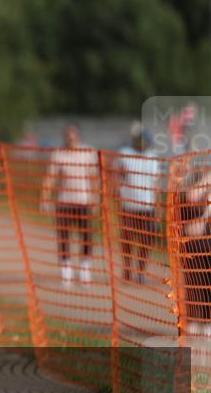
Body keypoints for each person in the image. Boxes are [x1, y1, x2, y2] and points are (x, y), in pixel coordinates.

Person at [40, 124, 101, 287]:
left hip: (84, 202)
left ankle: (85, 269)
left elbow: (94, 177)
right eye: (68, 136)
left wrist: (96, 199)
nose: (70, 139)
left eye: (73, 135)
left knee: (86, 237)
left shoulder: (88, 152)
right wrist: (45, 198)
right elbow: (50, 177)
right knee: (64, 237)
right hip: (64, 202)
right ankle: (66, 270)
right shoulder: (58, 154)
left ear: (78, 136)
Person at [113, 122, 163, 284]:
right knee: (127, 239)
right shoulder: (124, 154)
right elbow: (116, 177)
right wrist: (117, 196)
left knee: (146, 241)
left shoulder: (153, 157)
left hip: (147, 207)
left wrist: (158, 207)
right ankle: (127, 268)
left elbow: (156, 184)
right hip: (128, 205)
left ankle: (140, 270)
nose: (141, 142)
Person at [179, 167, 211, 343]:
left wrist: (204, 224)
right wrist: (204, 180)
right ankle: (192, 321)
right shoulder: (195, 184)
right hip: (191, 246)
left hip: (207, 245)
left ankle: (207, 323)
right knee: (192, 285)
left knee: (207, 285)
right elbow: (191, 197)